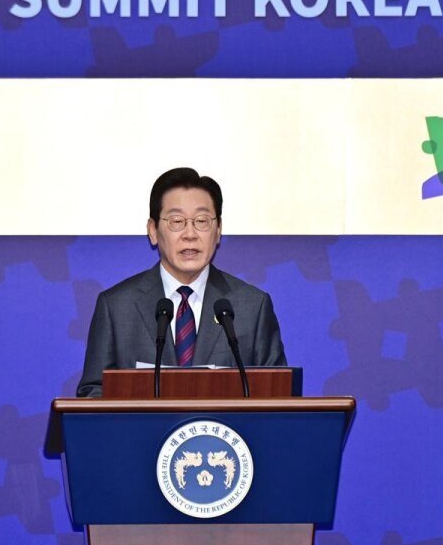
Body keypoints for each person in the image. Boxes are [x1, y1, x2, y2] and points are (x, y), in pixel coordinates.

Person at [76, 167, 287, 397]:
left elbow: (276, 395)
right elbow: (92, 394)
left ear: (218, 230)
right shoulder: (116, 307)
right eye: (176, 221)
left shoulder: (252, 307)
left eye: (202, 221)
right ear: (153, 230)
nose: (190, 234)